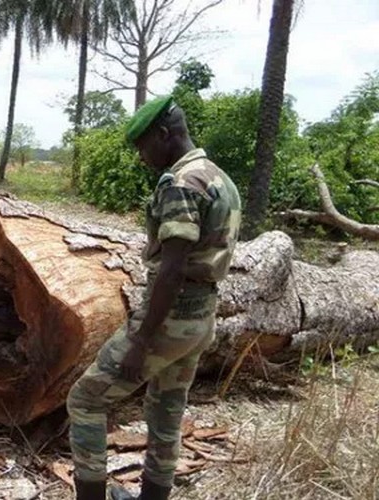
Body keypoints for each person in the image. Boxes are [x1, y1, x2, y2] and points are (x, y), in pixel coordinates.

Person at [67, 96, 241, 500]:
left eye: (143, 145)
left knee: (86, 400)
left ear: (164, 135)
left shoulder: (182, 183)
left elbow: (172, 268)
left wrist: (142, 339)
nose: (141, 156)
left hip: (171, 318)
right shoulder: (218, 176)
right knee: (166, 410)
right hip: (201, 319)